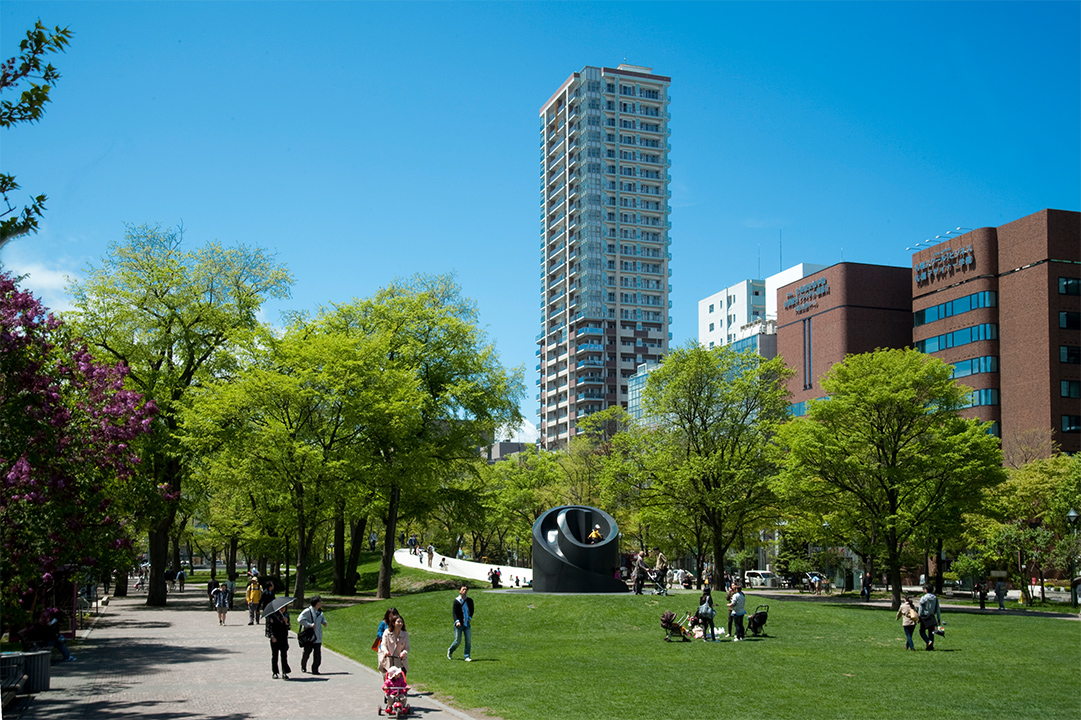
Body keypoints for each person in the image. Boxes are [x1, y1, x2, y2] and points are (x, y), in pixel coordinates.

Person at [298, 596, 328, 675]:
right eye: (320, 601)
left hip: (318, 636)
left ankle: (315, 669)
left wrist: (324, 622)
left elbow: (322, 618)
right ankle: (303, 665)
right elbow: (300, 619)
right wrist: (309, 624)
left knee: (317, 654)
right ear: (316, 603)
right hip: (310, 636)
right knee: (307, 652)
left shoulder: (320, 611)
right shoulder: (308, 611)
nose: (321, 603)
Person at [447, 585, 474, 662]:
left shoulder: (469, 600)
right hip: (459, 624)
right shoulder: (457, 601)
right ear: (460, 591)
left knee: (468, 640)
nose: (465, 591)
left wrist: (469, 618)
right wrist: (457, 621)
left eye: (466, 589)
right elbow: (454, 613)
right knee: (457, 641)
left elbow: (471, 610)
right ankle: (450, 650)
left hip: (467, 623)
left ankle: (467, 656)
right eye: (463, 589)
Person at [265, 603, 291, 679]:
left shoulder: (286, 615)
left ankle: (284, 672)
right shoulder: (272, 616)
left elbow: (288, 627)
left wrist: (286, 623)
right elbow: (269, 627)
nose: (282, 609)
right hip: (275, 638)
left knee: (284, 656)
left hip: (283, 638)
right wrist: (272, 636)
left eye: (284, 607)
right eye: (281, 607)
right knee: (275, 656)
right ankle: (275, 672)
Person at [918, 585, 942, 650]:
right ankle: (930, 646)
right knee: (931, 632)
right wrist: (938, 618)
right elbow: (938, 609)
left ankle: (928, 641)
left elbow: (921, 608)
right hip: (932, 616)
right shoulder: (935, 599)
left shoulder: (923, 598)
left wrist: (919, 616)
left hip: (924, 616)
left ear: (926, 590)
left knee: (921, 631)